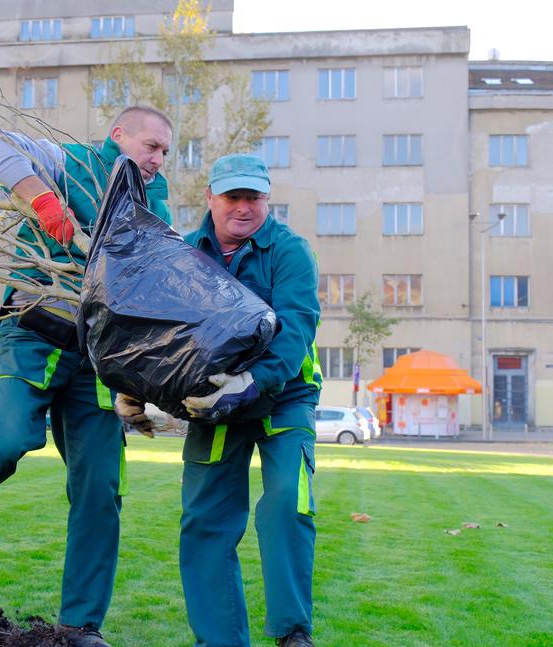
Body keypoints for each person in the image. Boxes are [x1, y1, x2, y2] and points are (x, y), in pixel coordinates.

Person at [0, 106, 172, 646]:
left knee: (100, 487)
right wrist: (44, 200)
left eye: (165, 152)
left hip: (94, 358)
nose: (158, 159)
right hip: (31, 332)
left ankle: (80, 626)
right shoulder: (69, 164)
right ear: (118, 137)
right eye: (150, 146)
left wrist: (136, 382)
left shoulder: (153, 205)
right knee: (7, 440)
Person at [115, 154, 321, 646]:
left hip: (283, 398)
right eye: (233, 196)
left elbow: (294, 329)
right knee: (206, 520)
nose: (244, 207)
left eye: (254, 197)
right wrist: (131, 387)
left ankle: (293, 635)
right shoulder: (185, 253)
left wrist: (252, 382)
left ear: (267, 200)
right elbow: (161, 333)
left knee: (286, 507)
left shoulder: (290, 252)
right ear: (210, 198)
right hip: (213, 406)